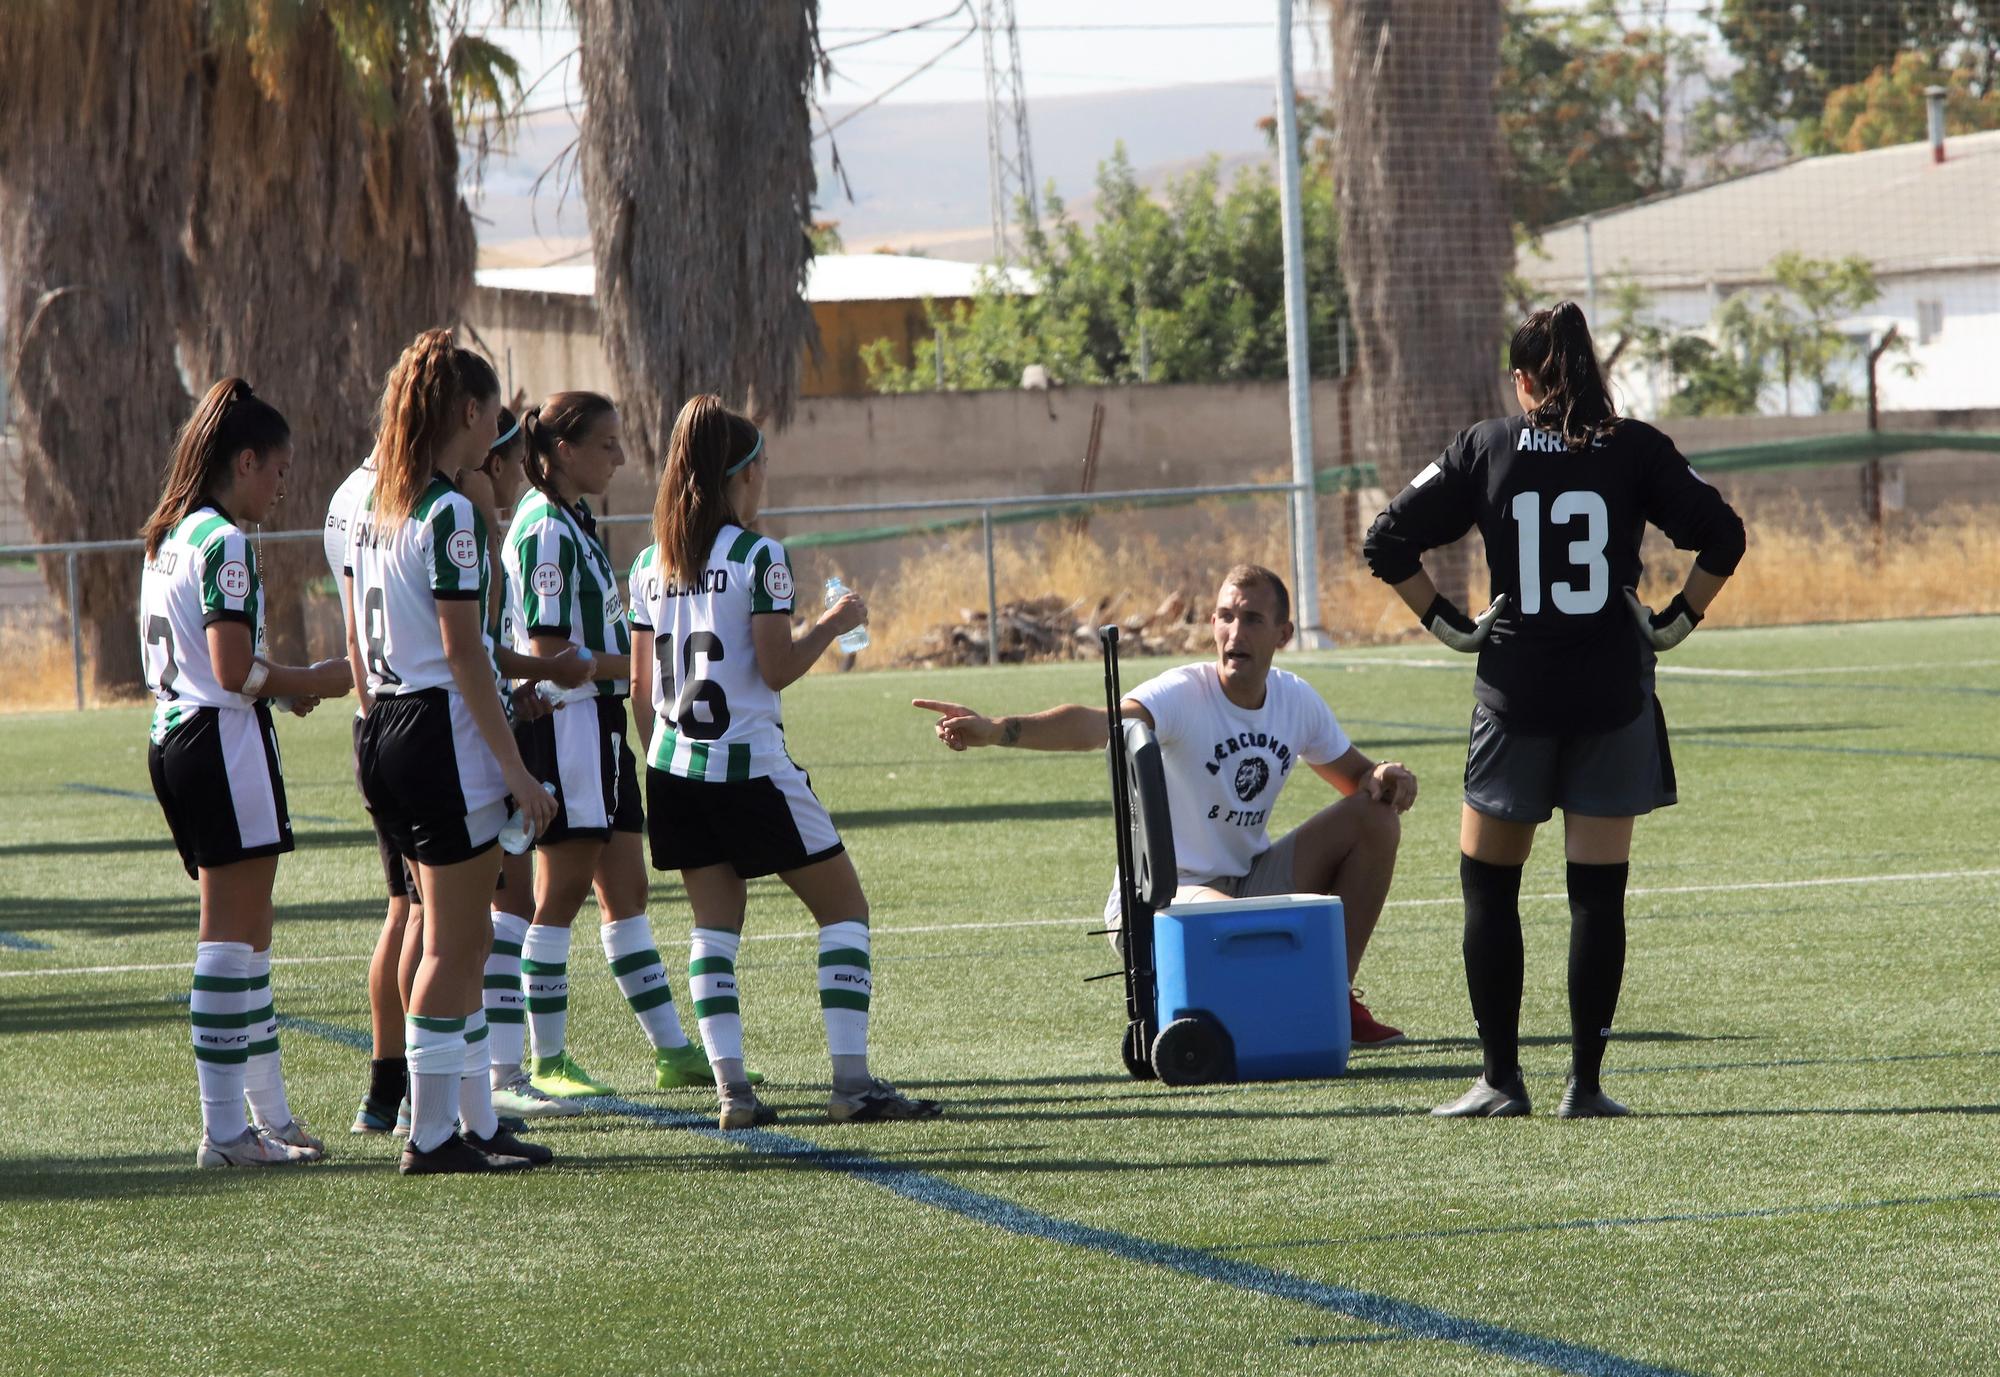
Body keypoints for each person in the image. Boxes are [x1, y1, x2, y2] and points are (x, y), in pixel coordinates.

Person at [1363, 299, 1745, 1119]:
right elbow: (1725, 535)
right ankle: (1588, 1084)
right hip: (1613, 695)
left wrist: (1451, 627)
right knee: (1596, 895)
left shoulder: (1487, 445)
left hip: (1515, 696)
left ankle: (1501, 1079)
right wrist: (1676, 622)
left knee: (1488, 888)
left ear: (1523, 378)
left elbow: (1385, 538)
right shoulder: (1636, 446)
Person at [915, 565, 1416, 1047]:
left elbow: (1358, 778)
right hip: (1161, 898)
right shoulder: (1183, 693)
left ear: (1283, 635)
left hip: (1244, 882)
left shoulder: (1295, 700)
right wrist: (999, 730)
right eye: (1224, 616)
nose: (1233, 631)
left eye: (1252, 620)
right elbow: (1097, 724)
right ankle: (1263, 997)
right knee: (1240, 931)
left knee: (1374, 818)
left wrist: (1384, 776)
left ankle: (1330, 997)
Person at [628, 393, 940, 1129]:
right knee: (844, 910)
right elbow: (773, 668)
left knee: (713, 930)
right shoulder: (758, 555)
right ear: (743, 473)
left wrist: (668, 759)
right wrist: (833, 622)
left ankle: (732, 1092)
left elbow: (641, 693)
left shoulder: (647, 564)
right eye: (763, 464)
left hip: (674, 767)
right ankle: (852, 1084)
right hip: (752, 767)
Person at [343, 329, 558, 1174]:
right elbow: (466, 654)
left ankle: (470, 1118)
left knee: (456, 940)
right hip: (439, 732)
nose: (497, 431)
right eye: (493, 414)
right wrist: (517, 772)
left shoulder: (374, 505)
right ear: (468, 413)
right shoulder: (448, 511)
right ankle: (432, 1135)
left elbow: (364, 644)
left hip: (388, 726)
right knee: (451, 942)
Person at [140, 377, 353, 1167]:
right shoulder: (226, 541)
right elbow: (233, 671)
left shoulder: (171, 533)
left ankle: (270, 1120)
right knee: (230, 942)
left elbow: (214, 662)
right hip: (218, 741)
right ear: (245, 459)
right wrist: (315, 679)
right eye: (277, 469)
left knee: (250, 936)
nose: (282, 484)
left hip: (177, 734)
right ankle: (225, 1132)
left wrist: (275, 685)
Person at [501, 391, 717, 1098]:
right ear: (563, 450)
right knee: (557, 893)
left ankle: (673, 1050)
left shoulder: (575, 516)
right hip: (567, 721)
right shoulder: (544, 528)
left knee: (625, 889)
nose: (622, 458)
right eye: (607, 445)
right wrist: (645, 667)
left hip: (599, 722)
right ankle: (545, 1059)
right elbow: (550, 649)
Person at [457, 407, 593, 1120]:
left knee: (441, 922)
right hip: (456, 733)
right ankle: (493, 1078)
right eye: (498, 463)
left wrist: (520, 683)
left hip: (431, 726)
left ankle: (411, 1090)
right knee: (488, 914)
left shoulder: (429, 518)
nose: (508, 477)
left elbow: (477, 650)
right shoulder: (460, 527)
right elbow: (462, 653)